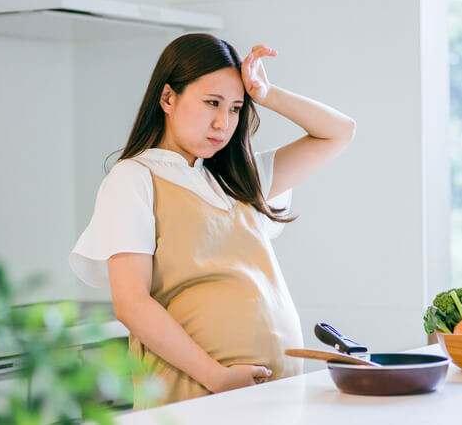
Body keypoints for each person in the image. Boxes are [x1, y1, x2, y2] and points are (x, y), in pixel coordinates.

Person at [68, 33, 356, 409]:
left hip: (274, 392)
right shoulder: (134, 178)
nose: (223, 122)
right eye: (211, 103)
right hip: (197, 395)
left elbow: (339, 132)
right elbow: (131, 303)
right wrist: (216, 377)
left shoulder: (237, 178)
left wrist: (266, 93)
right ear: (168, 98)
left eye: (236, 108)